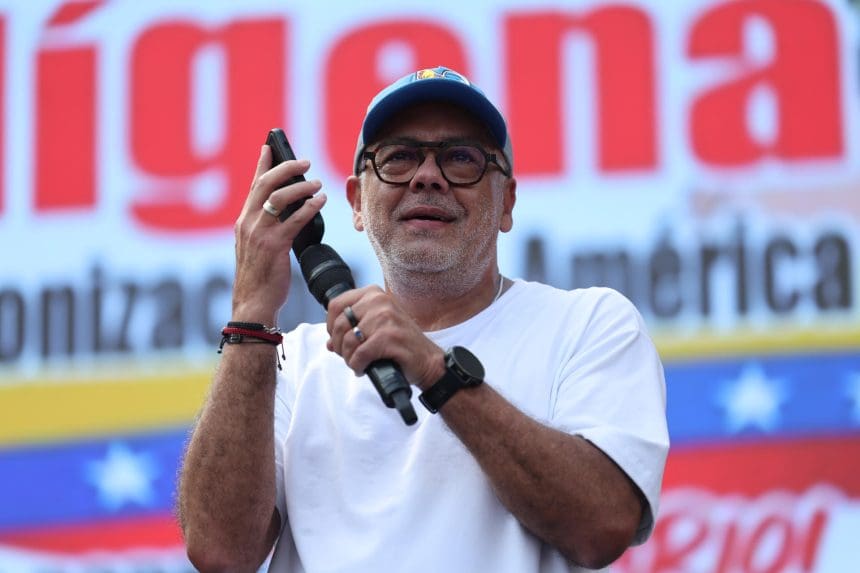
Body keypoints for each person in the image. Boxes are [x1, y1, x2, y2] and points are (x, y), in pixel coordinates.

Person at [178, 66, 669, 573]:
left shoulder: (588, 324)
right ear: (357, 204)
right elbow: (220, 552)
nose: (427, 176)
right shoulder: (291, 363)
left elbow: (602, 526)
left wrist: (435, 370)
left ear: (507, 203)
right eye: (399, 157)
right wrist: (250, 315)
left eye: (461, 157)